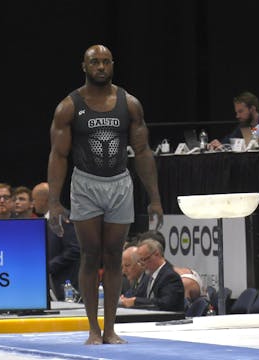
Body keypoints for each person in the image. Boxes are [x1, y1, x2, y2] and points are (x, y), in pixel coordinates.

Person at [47, 44, 163, 345]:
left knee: (113, 256)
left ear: (113, 65)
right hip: (85, 184)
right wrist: (54, 201)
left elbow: (142, 152)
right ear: (83, 66)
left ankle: (110, 329)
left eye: (105, 62)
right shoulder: (69, 107)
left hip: (119, 184)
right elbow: (58, 155)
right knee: (89, 255)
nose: (100, 67)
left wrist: (155, 198)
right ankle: (92, 329)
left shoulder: (130, 104)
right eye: (94, 62)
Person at [119, 239, 184, 311]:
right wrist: (125, 300)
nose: (142, 265)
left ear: (157, 254)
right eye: (140, 261)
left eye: (144, 259)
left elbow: (166, 304)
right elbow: (138, 294)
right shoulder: (149, 276)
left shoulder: (170, 276)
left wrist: (136, 301)